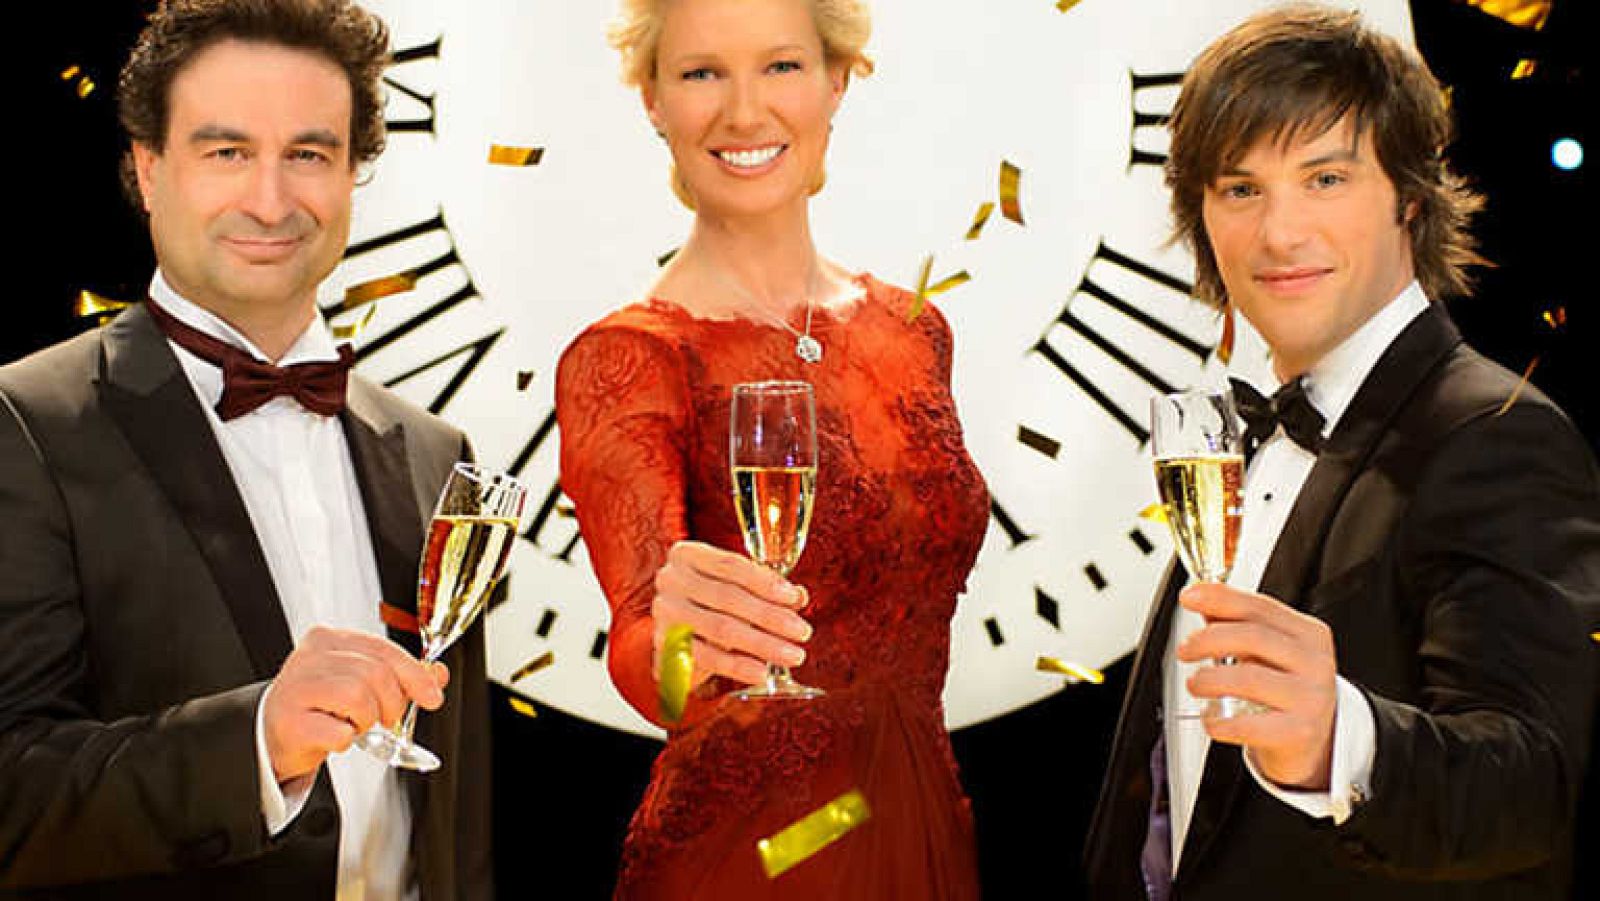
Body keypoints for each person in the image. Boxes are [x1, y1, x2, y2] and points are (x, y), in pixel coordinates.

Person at [1084, 5, 1599, 900]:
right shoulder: (1250, 434)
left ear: (1410, 194)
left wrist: (1338, 737)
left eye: (1324, 179)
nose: (1278, 234)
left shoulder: (1497, 435)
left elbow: (1525, 788)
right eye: (1241, 189)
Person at [0, 1, 491, 897]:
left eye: (308, 154)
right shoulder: (25, 421)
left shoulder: (431, 453)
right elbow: (12, 797)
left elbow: (456, 827)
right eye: (227, 152)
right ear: (147, 170)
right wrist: (259, 740)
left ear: (351, 177)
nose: (270, 200)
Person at [555, 0, 986, 896]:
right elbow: (653, 667)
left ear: (838, 80)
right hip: (758, 861)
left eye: (781, 67)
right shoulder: (630, 358)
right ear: (653, 100)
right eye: (702, 72)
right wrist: (682, 646)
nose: (745, 112)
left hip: (919, 830)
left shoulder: (915, 328)